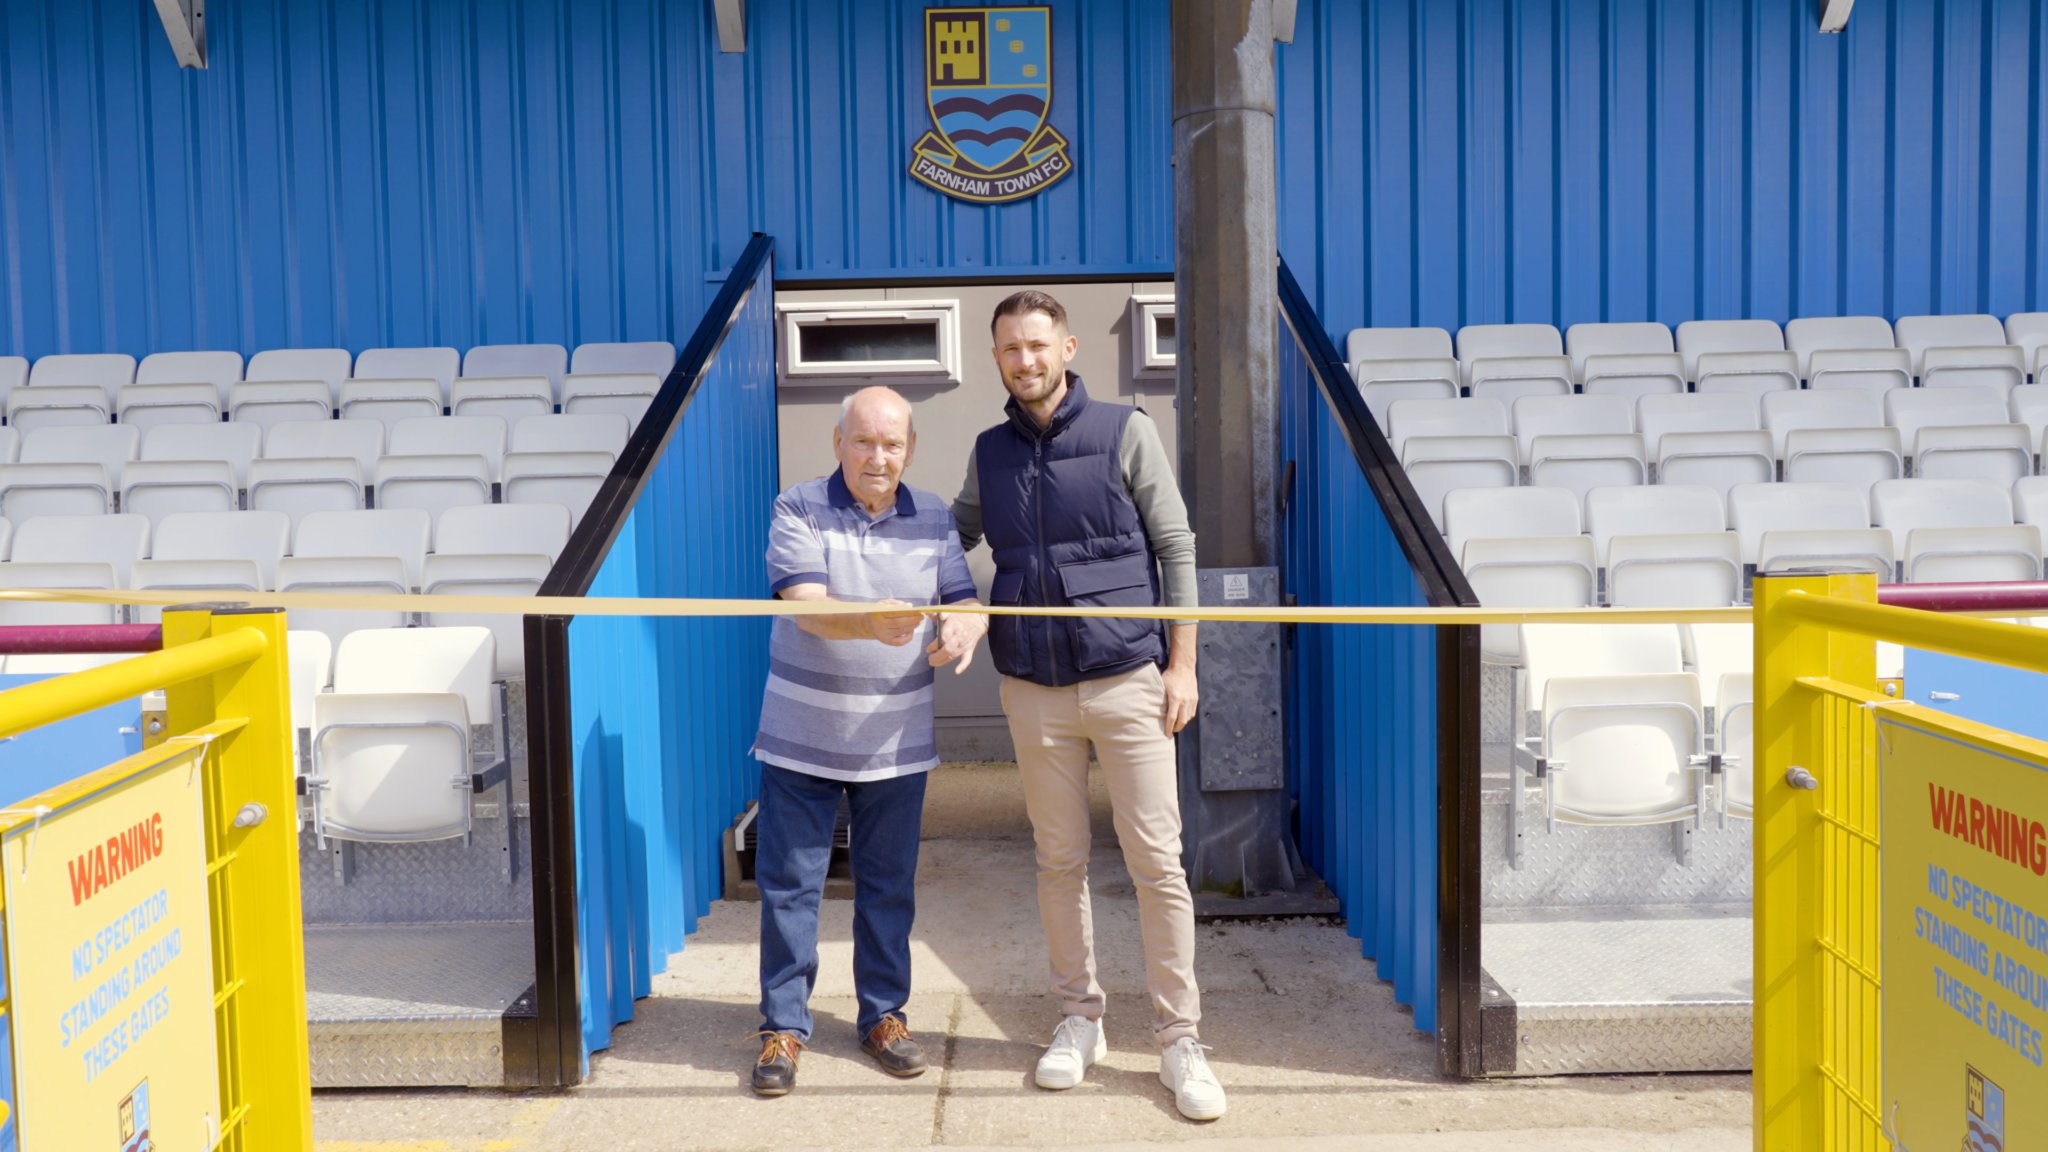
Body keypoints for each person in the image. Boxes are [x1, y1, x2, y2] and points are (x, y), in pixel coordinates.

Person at [933, 290, 1226, 1121]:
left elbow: (1176, 546)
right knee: (1057, 861)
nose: (1024, 361)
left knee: (1156, 862)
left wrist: (1182, 666)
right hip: (1032, 688)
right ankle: (1080, 1020)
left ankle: (1179, 1039)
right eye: (1009, 349)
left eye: (1037, 345)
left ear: (1066, 348)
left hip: (1128, 678)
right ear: (996, 358)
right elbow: (951, 536)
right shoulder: (989, 452)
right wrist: (951, 601)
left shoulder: (1125, 431)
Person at [749, 385, 988, 1097]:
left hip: (896, 743)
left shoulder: (935, 515)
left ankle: (884, 1017)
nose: (877, 457)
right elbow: (807, 608)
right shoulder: (797, 506)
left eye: (891, 444)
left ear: (909, 450)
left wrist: (966, 624)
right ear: (838, 443)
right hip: (801, 738)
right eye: (863, 441)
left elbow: (962, 597)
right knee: (790, 888)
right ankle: (782, 1028)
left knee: (888, 888)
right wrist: (870, 621)